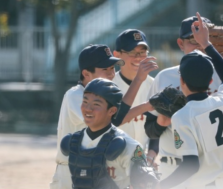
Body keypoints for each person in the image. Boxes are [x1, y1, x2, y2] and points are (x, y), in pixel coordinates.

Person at [144, 13, 223, 182]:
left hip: (192, 176)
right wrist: (160, 123)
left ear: (181, 81)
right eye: (193, 40)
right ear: (180, 43)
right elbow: (150, 129)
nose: (199, 46)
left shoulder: (182, 116)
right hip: (180, 169)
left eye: (203, 39)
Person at [50, 44, 156, 189]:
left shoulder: (102, 96)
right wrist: (145, 101)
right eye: (105, 69)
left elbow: (117, 114)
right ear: (86, 74)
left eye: (112, 68)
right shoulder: (76, 95)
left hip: (96, 169)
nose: (111, 74)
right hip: (69, 171)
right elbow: (116, 118)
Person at [156, 12, 223, 189]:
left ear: (181, 81)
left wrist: (160, 186)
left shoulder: (182, 116)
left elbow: (191, 165)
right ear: (210, 82)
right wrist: (207, 44)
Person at [60, 78, 158, 189]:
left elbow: (145, 185)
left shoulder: (129, 146)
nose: (88, 109)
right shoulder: (73, 142)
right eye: (85, 102)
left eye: (96, 104)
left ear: (112, 111)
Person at [113, 29, 159, 165]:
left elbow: (156, 127)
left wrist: (151, 156)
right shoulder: (108, 86)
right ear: (117, 55)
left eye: (142, 52)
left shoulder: (154, 85)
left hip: (140, 161)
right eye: (131, 52)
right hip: (112, 162)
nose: (138, 58)